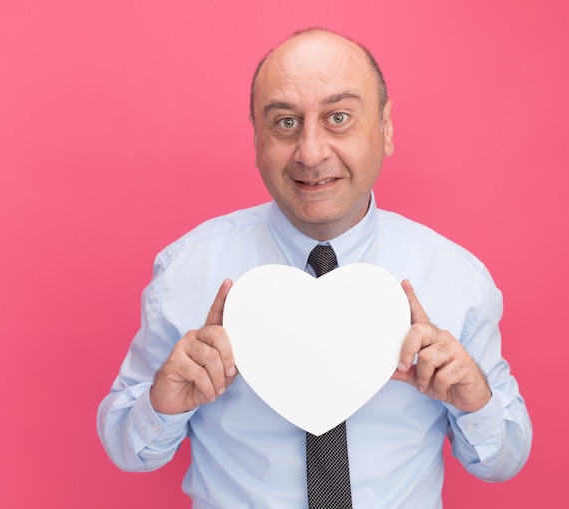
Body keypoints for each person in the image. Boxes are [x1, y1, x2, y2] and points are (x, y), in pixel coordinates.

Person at [98, 28, 532, 508]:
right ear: (257, 137)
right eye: (285, 123)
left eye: (338, 118)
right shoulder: (186, 271)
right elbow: (127, 449)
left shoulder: (456, 278)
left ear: (385, 128)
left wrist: (474, 398)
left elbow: (502, 462)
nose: (310, 152)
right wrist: (164, 401)